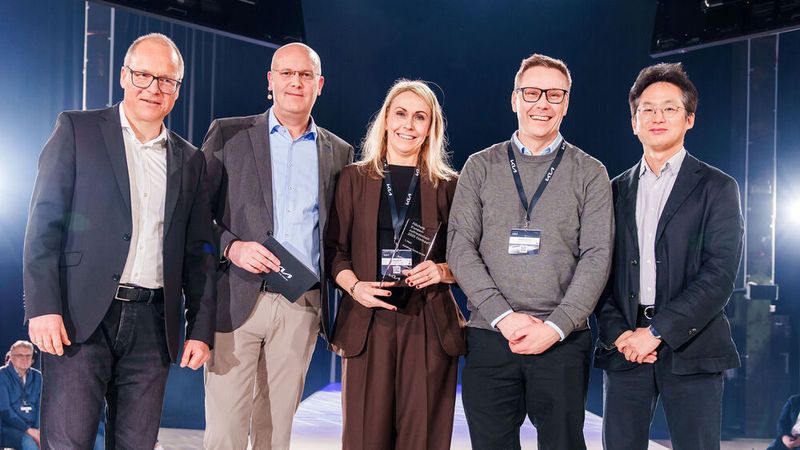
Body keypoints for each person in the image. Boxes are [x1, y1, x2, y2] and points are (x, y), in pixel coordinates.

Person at [22, 33, 216, 449]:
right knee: (68, 442)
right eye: (144, 75)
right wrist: (43, 308)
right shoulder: (78, 130)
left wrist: (199, 329)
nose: (154, 88)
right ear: (124, 76)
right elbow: (43, 227)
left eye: (166, 80)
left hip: (153, 325)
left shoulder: (192, 160)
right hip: (79, 318)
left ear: (177, 91)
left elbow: (199, 252)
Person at [447, 53, 614, 450]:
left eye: (555, 95)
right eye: (533, 92)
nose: (543, 103)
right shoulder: (480, 166)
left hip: (562, 341)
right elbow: (460, 247)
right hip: (490, 336)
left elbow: (597, 255)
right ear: (514, 99)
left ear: (567, 103)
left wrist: (555, 327)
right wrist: (504, 318)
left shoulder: (590, 171)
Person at [202, 42, 353, 449]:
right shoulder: (228, 133)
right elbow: (196, 215)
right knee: (226, 428)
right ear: (270, 81)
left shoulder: (340, 153)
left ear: (319, 85)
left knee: (276, 430)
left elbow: (340, 237)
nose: (295, 82)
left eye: (305, 75)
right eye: (286, 73)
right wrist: (232, 247)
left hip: (300, 304)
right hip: (236, 297)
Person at [594, 62, 744, 450]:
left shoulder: (718, 187)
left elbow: (719, 276)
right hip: (627, 348)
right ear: (634, 122)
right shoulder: (613, 190)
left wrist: (657, 332)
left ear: (689, 119)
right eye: (647, 109)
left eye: (669, 108)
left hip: (692, 347)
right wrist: (621, 334)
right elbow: (600, 272)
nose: (657, 117)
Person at [325, 79, 466, 450]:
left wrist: (442, 271)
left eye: (420, 117)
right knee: (365, 438)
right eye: (400, 113)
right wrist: (355, 286)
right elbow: (335, 251)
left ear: (431, 127)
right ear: (386, 119)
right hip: (368, 320)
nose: (409, 124)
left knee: (423, 438)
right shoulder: (354, 179)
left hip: (428, 321)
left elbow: (470, 256)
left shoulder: (449, 185)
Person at [0, 341, 40, 450]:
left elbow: (40, 406)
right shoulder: (2, 376)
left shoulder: (38, 376)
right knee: (29, 443)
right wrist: (29, 431)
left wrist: (38, 430)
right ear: (11, 357)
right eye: (20, 355)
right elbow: (5, 410)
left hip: (33, 428)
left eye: (28, 355)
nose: (25, 359)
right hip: (8, 428)